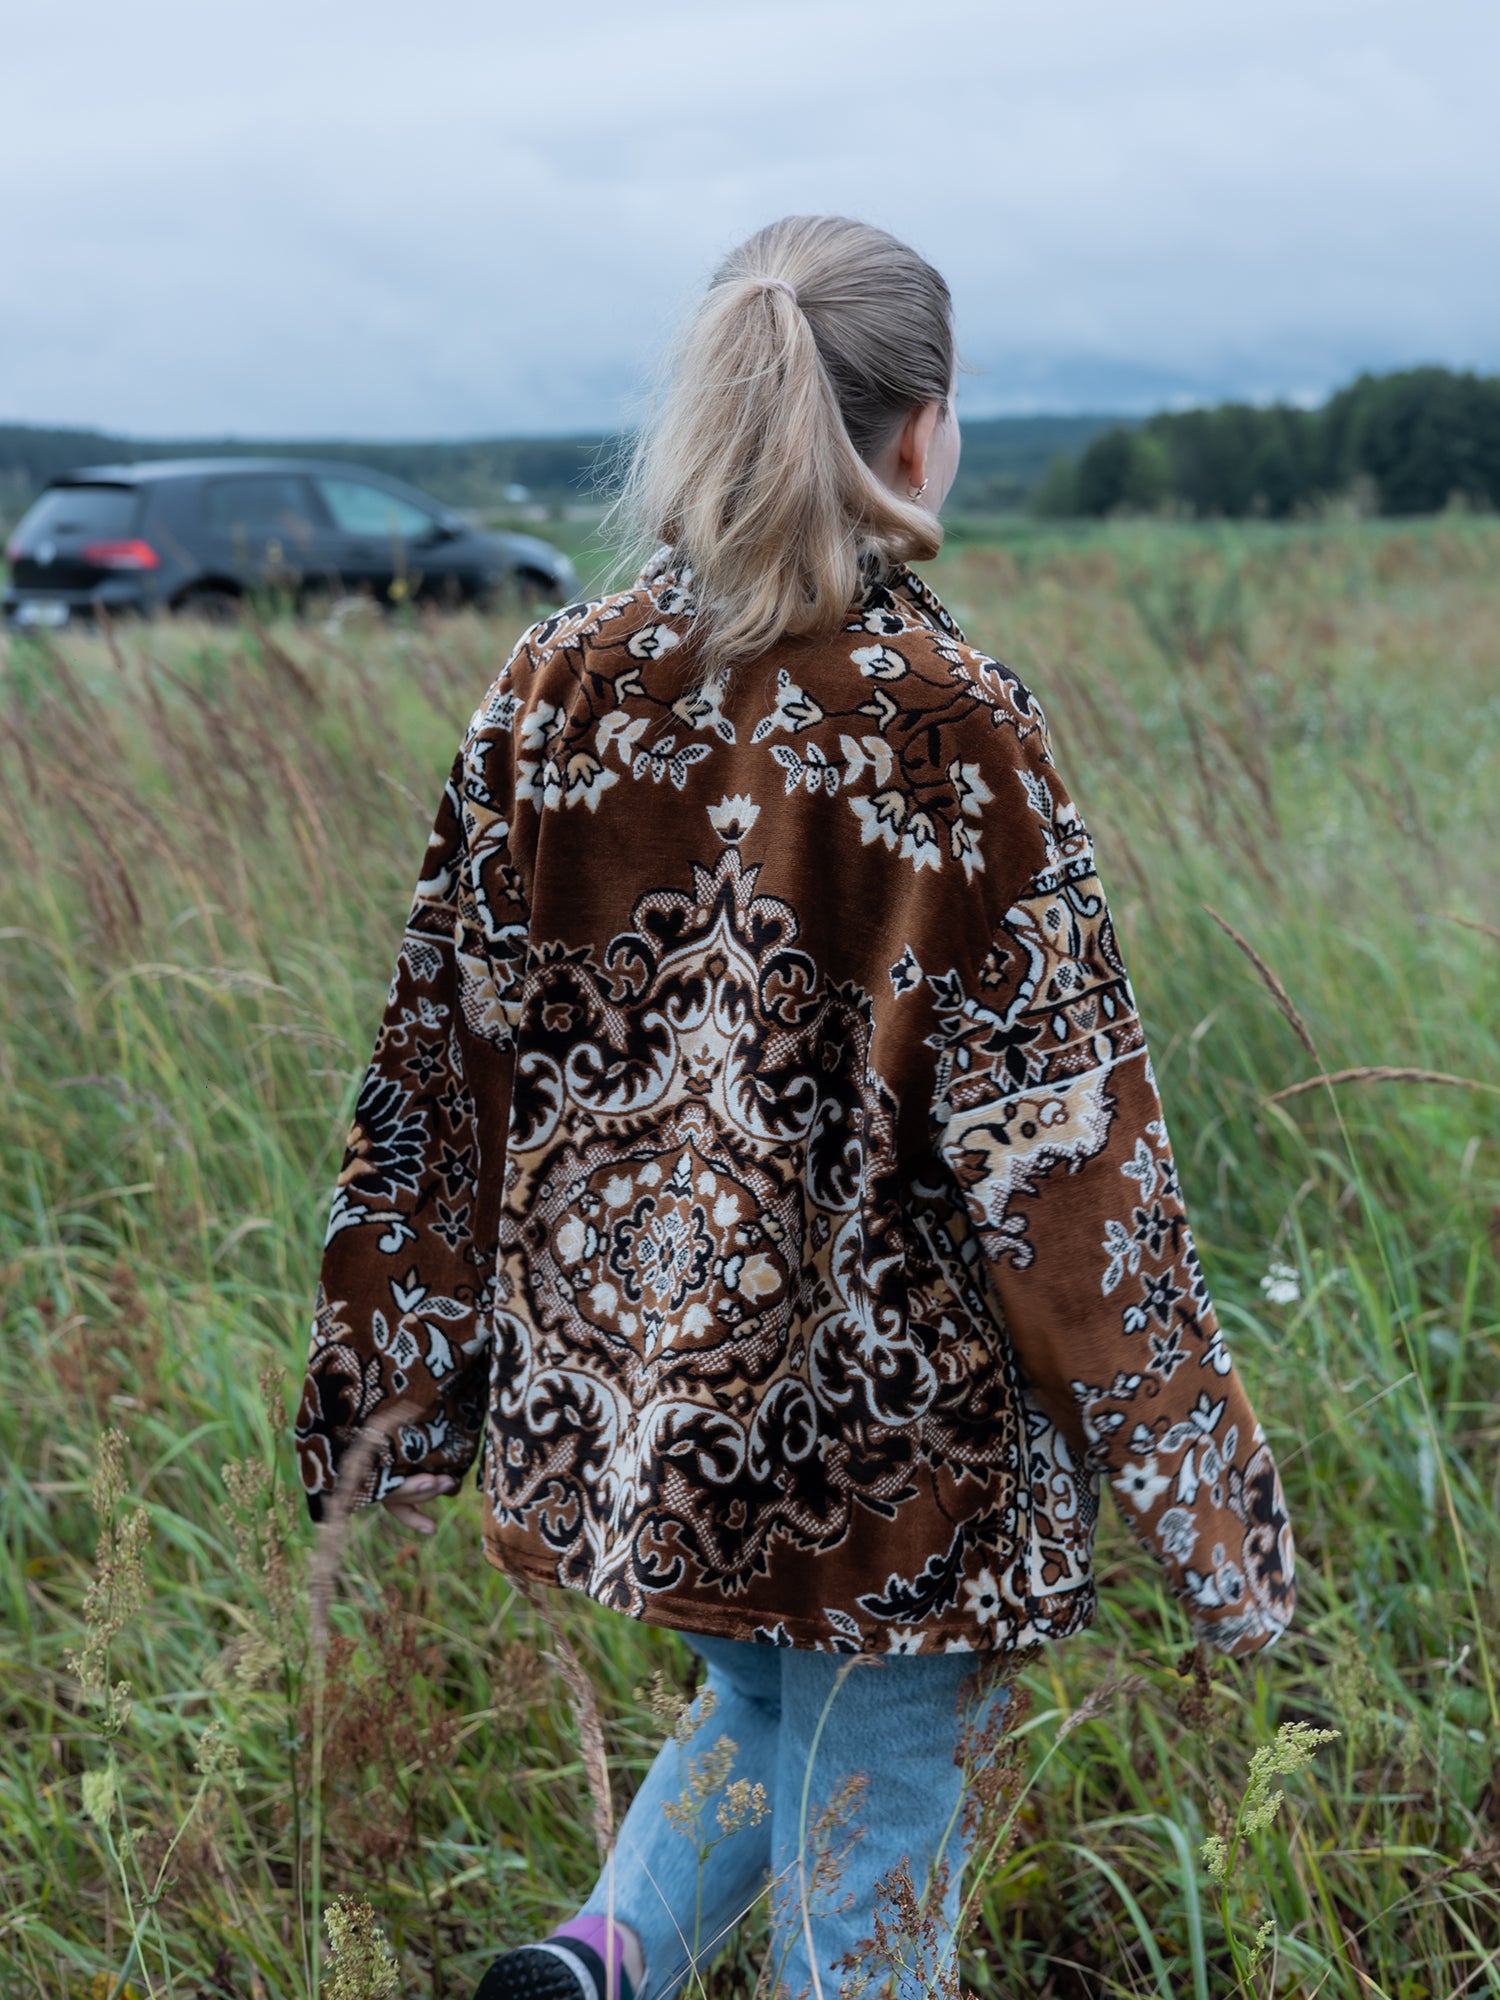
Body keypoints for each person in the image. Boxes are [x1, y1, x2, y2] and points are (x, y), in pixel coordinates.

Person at [295, 214, 1296, 2000]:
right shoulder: (947, 720)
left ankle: (594, 1967)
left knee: (763, 1701)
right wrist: (1206, 1503)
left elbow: (440, 1062)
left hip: (641, 1398)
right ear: (922, 429)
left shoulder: (554, 680)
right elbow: (1063, 1150)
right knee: (873, 1813)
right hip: (892, 1448)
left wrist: (395, 1389)